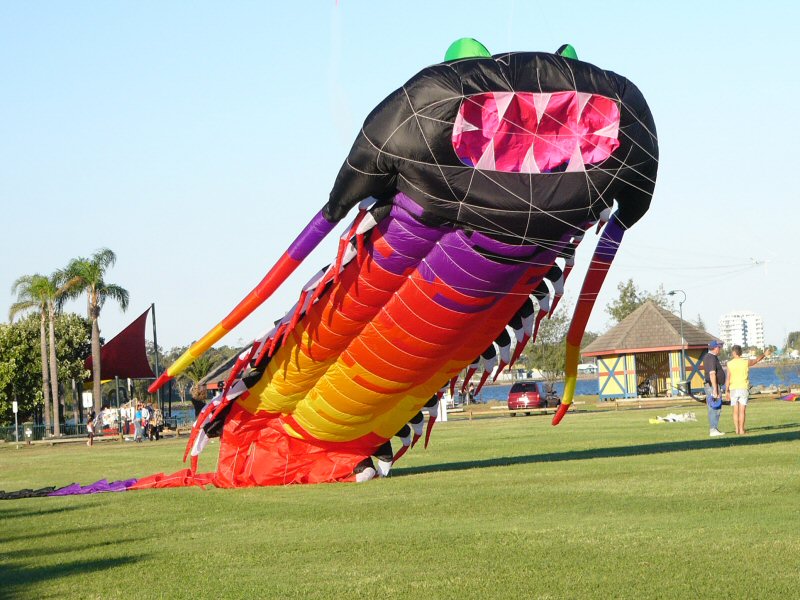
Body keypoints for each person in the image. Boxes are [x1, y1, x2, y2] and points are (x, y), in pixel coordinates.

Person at [726, 345, 771, 434]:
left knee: (735, 410)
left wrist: (726, 391)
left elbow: (728, 378)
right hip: (743, 387)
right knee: (742, 410)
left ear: (733, 353)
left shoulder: (729, 363)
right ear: (741, 353)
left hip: (733, 388)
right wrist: (764, 354)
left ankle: (736, 430)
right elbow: (756, 360)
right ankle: (742, 430)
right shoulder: (745, 362)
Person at [703, 340, 726, 436]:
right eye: (718, 347)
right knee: (715, 408)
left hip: (713, 385)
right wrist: (715, 390)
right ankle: (713, 429)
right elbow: (712, 374)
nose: (719, 349)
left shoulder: (709, 357)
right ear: (715, 348)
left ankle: (714, 428)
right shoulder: (711, 358)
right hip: (713, 386)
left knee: (714, 407)